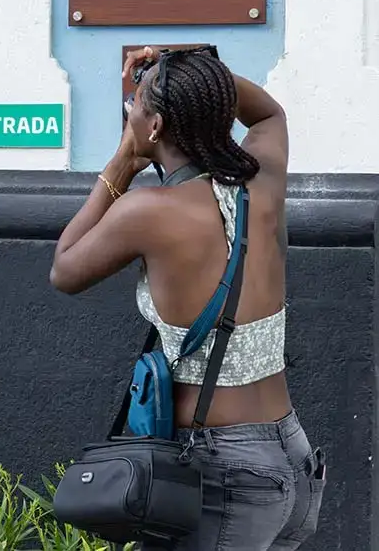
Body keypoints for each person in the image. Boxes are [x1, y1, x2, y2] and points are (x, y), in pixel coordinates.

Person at [49, 46, 325, 550]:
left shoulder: (147, 212)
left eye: (135, 103)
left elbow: (64, 268)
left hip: (227, 474)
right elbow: (267, 112)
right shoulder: (261, 178)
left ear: (153, 127)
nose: (129, 110)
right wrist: (187, 65)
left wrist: (122, 162)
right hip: (293, 456)